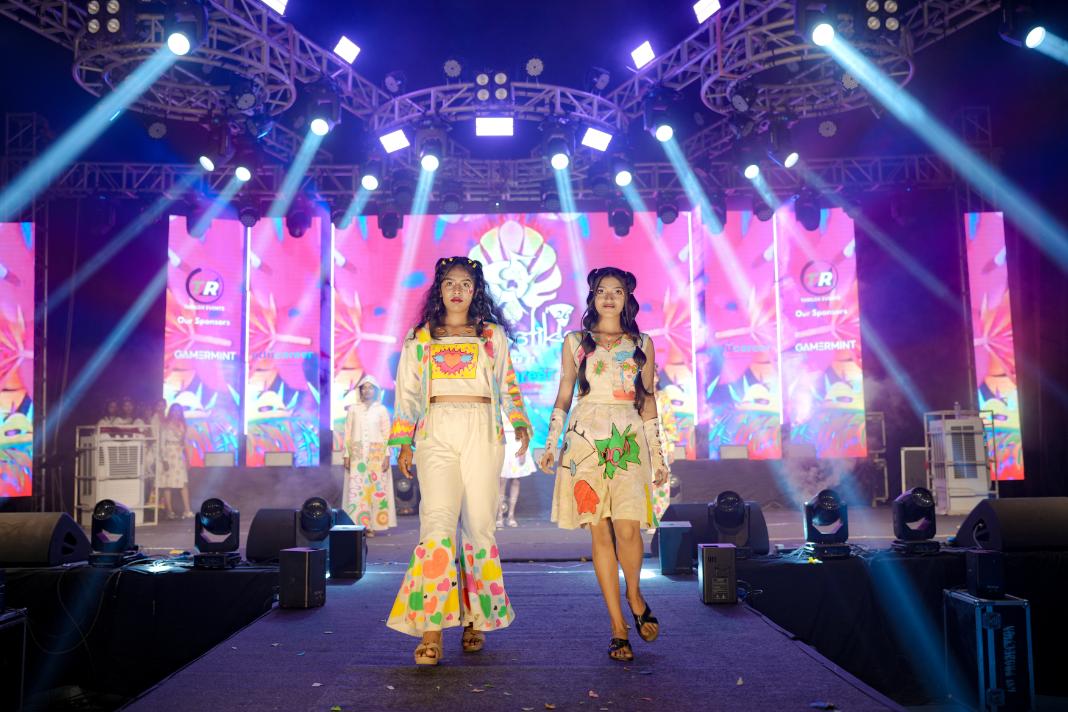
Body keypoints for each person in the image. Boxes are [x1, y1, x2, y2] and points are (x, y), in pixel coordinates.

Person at [386, 256, 531, 666]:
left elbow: (507, 382)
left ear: (475, 291)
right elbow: (407, 392)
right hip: (435, 430)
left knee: (480, 527)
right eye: (450, 282)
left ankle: (475, 619)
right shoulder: (421, 336)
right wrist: (403, 441)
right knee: (436, 526)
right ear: (439, 289)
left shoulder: (491, 335)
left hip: (483, 429)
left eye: (466, 284)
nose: (457, 290)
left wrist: (519, 420)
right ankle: (431, 631)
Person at [539, 267, 670, 662]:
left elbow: (647, 400)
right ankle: (617, 627)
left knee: (628, 529)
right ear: (592, 298)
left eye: (617, 291)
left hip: (628, 439)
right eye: (601, 291)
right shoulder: (575, 341)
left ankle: (634, 594)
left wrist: (659, 455)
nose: (609, 297)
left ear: (627, 299)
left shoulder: (642, 343)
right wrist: (551, 443)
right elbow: (565, 393)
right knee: (599, 531)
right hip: (584, 440)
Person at [342, 375, 396, 535]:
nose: (367, 390)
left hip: (377, 453)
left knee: (375, 489)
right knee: (358, 490)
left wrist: (387, 456)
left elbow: (387, 435)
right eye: (364, 388)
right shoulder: (353, 409)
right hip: (357, 453)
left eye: (370, 387)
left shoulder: (381, 410)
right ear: (360, 391)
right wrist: (347, 454)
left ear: (376, 390)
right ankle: (359, 526)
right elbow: (347, 433)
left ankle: (373, 525)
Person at [497, 418, 535, 528]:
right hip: (502, 443)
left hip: (517, 443)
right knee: (502, 480)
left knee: (516, 480)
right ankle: (499, 516)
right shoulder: (496, 408)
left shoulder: (519, 408)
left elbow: (526, 428)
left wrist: (524, 448)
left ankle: (511, 515)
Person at [159, 404, 194, 520]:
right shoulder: (165, 425)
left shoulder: (182, 425)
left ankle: (187, 510)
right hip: (168, 454)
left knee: (183, 483)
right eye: (174, 410)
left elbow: (185, 442)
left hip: (179, 455)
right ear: (171, 412)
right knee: (168, 484)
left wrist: (188, 458)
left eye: (178, 411)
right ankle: (169, 511)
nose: (176, 413)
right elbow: (162, 443)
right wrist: (164, 459)